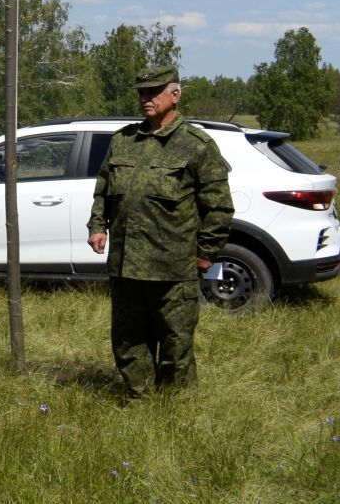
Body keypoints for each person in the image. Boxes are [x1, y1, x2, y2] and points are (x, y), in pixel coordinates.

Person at [88, 64, 234, 397]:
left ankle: (175, 407)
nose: (145, 99)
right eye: (142, 93)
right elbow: (103, 189)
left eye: (153, 92)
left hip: (172, 267)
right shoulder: (123, 141)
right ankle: (140, 398)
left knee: (175, 341)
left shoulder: (196, 145)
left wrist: (205, 254)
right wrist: (98, 225)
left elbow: (219, 207)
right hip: (126, 266)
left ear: (175, 94)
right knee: (128, 338)